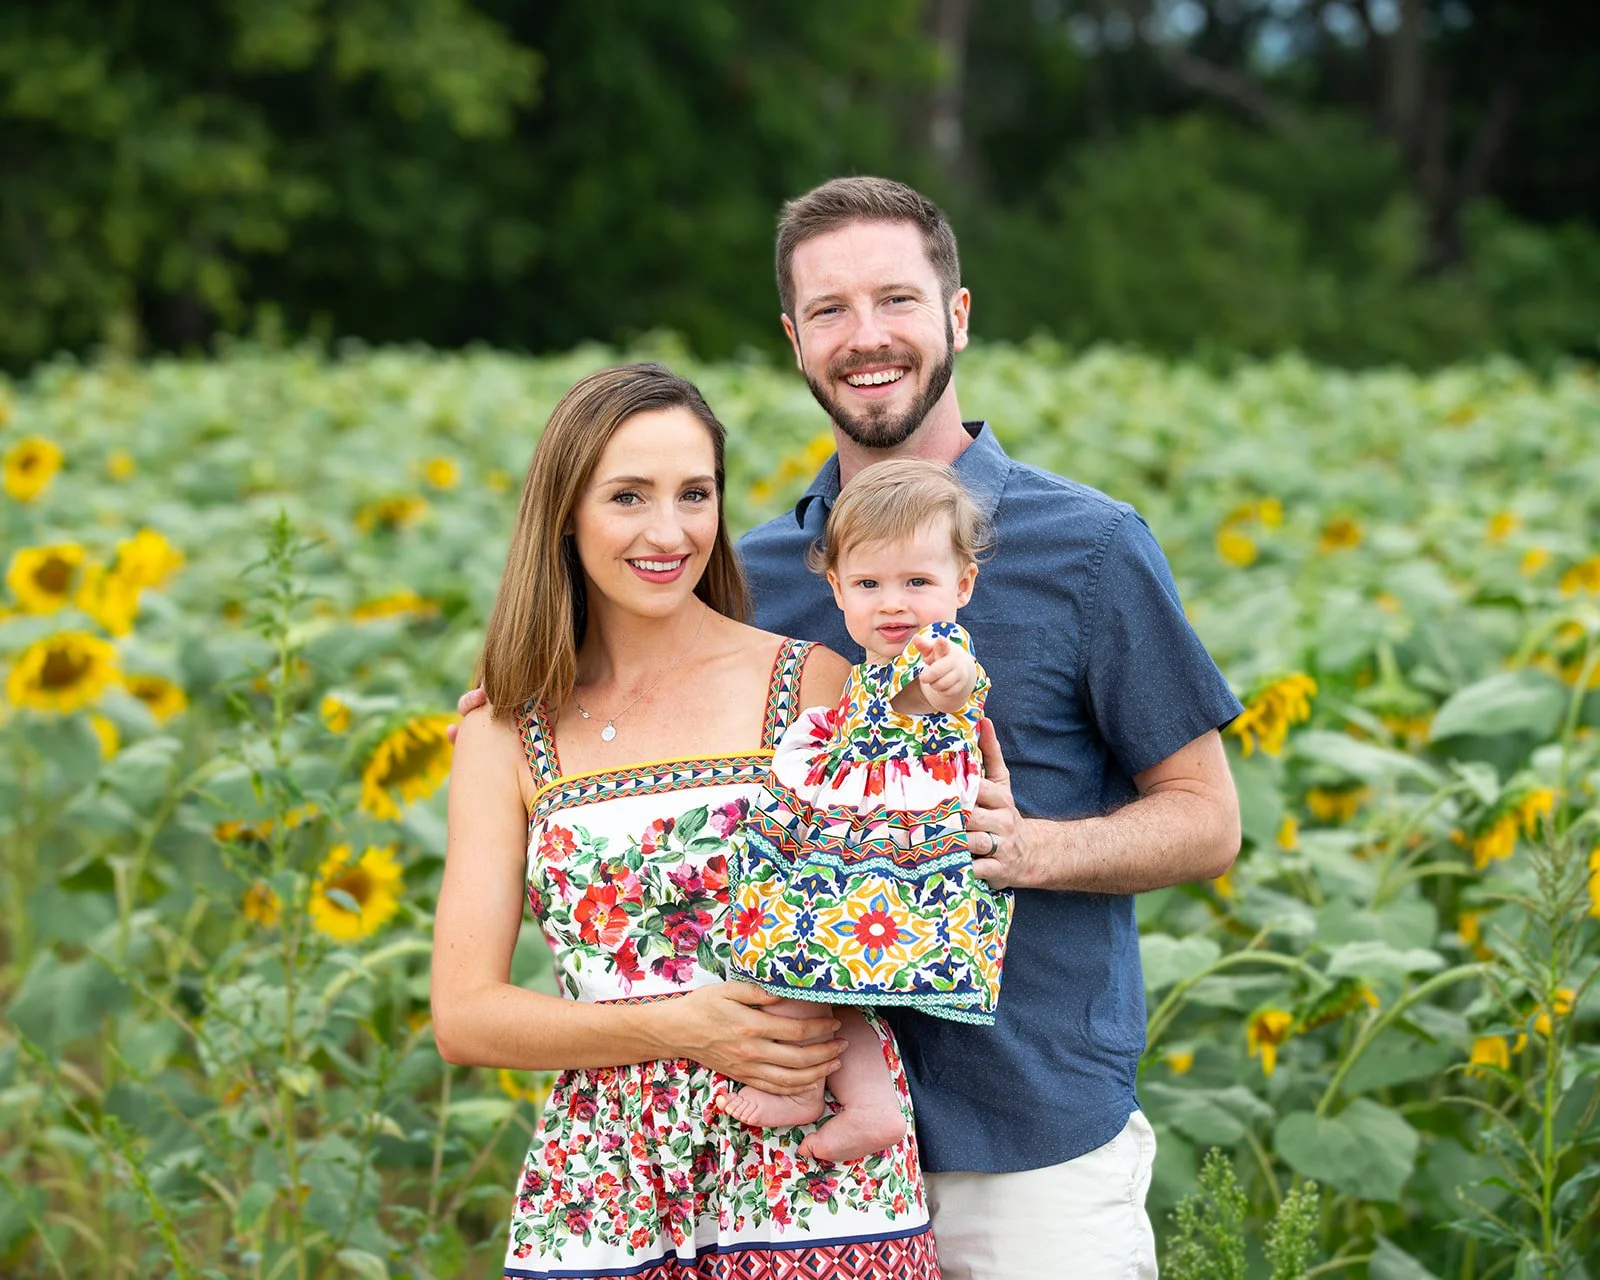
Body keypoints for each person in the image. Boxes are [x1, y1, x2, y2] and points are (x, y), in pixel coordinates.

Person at [734, 177, 1244, 1278]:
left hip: (1031, 1144)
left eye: (896, 300)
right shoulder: (753, 575)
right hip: (806, 1149)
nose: (865, 337)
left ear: (956, 315)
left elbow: (1206, 822)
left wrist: (1031, 847)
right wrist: (523, 690)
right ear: (793, 338)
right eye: (829, 310)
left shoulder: (1091, 546)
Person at [431, 363, 940, 1280]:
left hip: (810, 1168)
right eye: (628, 496)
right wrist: (686, 1025)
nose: (669, 532)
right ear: (565, 514)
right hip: (606, 1180)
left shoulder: (811, 683)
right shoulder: (505, 731)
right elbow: (467, 1018)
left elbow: (900, 870)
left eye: (694, 494)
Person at [716, 458, 1011, 1164]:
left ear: (962, 585)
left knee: (809, 946)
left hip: (895, 849)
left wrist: (951, 679)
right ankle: (865, 1099)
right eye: (870, 584)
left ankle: (815, 1091)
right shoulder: (862, 680)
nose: (894, 603)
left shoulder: (937, 656)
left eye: (919, 582)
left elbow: (955, 682)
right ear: (838, 589)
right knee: (809, 959)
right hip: (851, 833)